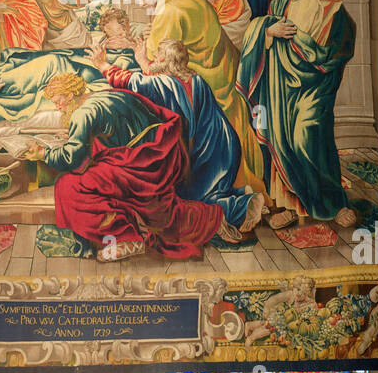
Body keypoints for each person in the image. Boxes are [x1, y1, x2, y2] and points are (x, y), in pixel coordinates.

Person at [238, 0, 369, 227]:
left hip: (313, 81)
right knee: (280, 139)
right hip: (280, 85)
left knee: (306, 138)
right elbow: (260, 27)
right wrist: (267, 31)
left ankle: (333, 204)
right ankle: (290, 207)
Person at [92, 39, 291, 235]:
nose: (154, 58)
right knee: (206, 191)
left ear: (164, 59)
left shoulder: (165, 84)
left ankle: (243, 206)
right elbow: (155, 82)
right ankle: (243, 193)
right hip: (223, 148)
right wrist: (142, 60)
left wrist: (102, 64)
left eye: (157, 54)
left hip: (205, 156)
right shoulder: (194, 79)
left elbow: (134, 82)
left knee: (192, 202)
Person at [23, 73, 222, 262]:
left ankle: (126, 238)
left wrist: (42, 153)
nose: (58, 107)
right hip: (157, 159)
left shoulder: (83, 113)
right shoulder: (105, 95)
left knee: (69, 186)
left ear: (71, 95)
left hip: (135, 167)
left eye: (59, 101)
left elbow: (72, 158)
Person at [146, 0, 266, 195]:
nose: (145, 3)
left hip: (205, 88)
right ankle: (243, 187)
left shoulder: (170, 10)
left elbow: (157, 60)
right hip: (224, 74)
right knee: (231, 136)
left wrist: (140, 54)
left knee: (205, 148)